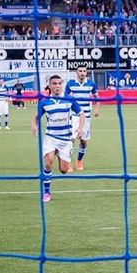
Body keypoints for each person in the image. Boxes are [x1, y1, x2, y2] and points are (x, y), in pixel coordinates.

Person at [31, 75, 84, 203]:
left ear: (62, 85)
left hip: (65, 140)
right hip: (50, 137)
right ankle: (47, 192)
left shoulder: (69, 99)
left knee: (64, 170)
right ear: (49, 86)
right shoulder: (44, 102)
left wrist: (80, 128)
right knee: (48, 162)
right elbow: (36, 117)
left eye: (59, 83)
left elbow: (81, 113)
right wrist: (34, 125)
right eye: (54, 84)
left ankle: (62, 155)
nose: (57, 86)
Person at [65, 67, 99, 171]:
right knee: (72, 139)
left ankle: (79, 160)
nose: (82, 73)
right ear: (76, 73)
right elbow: (65, 98)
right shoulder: (70, 83)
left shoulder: (91, 84)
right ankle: (68, 162)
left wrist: (96, 109)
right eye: (80, 71)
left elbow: (97, 97)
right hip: (74, 115)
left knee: (84, 141)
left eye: (84, 71)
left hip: (86, 116)